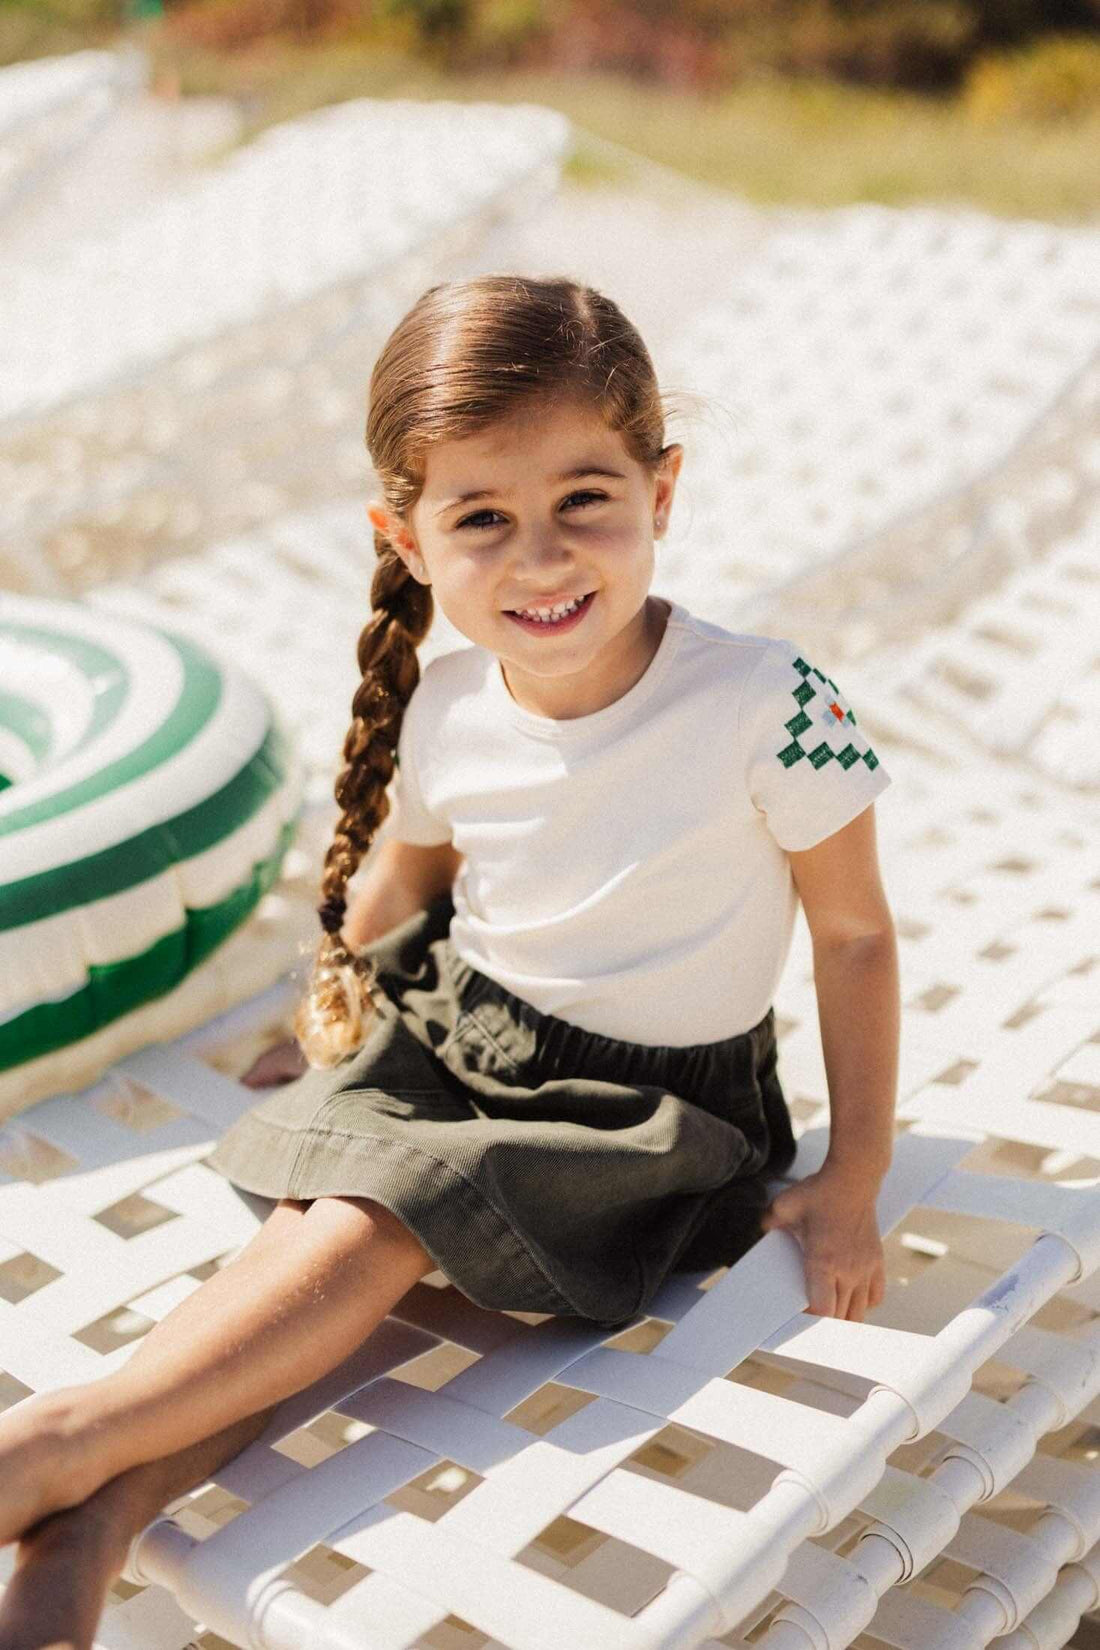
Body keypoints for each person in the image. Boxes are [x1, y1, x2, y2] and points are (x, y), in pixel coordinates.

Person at [0, 274, 899, 1643]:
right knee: (313, 1270)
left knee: (367, 1225)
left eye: (583, 498)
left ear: (664, 489)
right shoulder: (451, 704)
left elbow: (855, 934)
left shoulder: (770, 702)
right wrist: (331, 1011)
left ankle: (59, 1441)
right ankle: (99, 1520)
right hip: (457, 1036)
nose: (540, 558)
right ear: (407, 538)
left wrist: (855, 1174)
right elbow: (408, 874)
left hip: (644, 1115)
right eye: (482, 517)